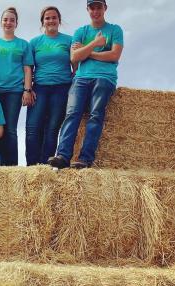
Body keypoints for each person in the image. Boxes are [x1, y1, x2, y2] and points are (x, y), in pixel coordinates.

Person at [48, 0, 124, 169]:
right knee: (72, 114)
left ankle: (85, 159)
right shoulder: (81, 31)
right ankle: (62, 156)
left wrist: (86, 52)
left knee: (95, 115)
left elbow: (114, 56)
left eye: (99, 7)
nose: (95, 11)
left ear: (105, 8)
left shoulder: (115, 30)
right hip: (81, 78)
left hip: (105, 78)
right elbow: (74, 58)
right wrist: (95, 45)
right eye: (92, 7)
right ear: (87, 10)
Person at [0, 7, 34, 166]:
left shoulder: (23, 44)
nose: (8, 22)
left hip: (14, 91)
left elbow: (28, 69)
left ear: (16, 23)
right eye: (5, 19)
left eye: (12, 20)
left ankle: (11, 166)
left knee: (10, 129)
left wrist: (27, 90)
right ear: (1, 22)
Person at [25, 6, 73, 166]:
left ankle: (45, 166)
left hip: (61, 88)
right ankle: (32, 166)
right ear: (42, 22)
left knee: (52, 129)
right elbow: (28, 68)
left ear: (59, 20)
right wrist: (28, 89)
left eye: (54, 17)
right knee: (32, 129)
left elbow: (76, 64)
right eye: (47, 18)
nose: (51, 20)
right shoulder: (34, 43)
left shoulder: (69, 40)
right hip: (40, 88)